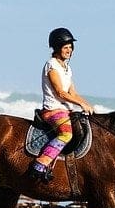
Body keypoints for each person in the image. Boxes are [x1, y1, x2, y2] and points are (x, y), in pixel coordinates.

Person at [27, 27, 95, 182]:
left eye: (71, 47)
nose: (69, 50)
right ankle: (40, 164)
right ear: (57, 48)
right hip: (53, 110)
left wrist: (88, 105)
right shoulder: (52, 65)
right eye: (66, 47)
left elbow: (73, 93)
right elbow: (60, 93)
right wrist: (80, 105)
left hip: (66, 110)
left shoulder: (66, 68)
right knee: (66, 134)